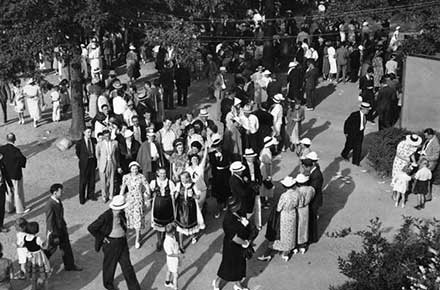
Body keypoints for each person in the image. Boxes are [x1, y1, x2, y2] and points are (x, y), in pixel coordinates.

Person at [87, 195, 141, 290]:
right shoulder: (106, 216)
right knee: (109, 265)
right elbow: (91, 228)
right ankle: (108, 285)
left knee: (127, 267)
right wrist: (102, 238)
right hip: (111, 244)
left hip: (122, 242)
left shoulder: (121, 213)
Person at [213, 197, 252, 290]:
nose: (240, 205)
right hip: (232, 246)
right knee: (228, 266)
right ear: (234, 207)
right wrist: (245, 243)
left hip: (239, 246)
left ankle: (238, 284)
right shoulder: (228, 220)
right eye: (238, 204)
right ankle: (217, 282)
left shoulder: (237, 213)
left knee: (239, 265)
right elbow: (234, 238)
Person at [258, 176, 299, 262]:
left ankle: (276, 249)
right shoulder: (296, 193)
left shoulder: (284, 196)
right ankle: (288, 249)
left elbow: (279, 208)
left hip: (284, 215)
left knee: (281, 233)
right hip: (293, 214)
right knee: (291, 232)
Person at [45, 183, 82, 271]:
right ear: (55, 193)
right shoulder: (50, 205)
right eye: (60, 191)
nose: (63, 193)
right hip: (55, 232)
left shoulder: (58, 201)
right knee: (51, 249)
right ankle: (40, 262)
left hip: (61, 229)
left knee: (66, 247)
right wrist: (52, 233)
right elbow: (49, 221)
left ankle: (70, 265)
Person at [119, 161, 150, 248]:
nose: (134, 170)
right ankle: (137, 233)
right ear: (130, 169)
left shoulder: (141, 177)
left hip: (138, 200)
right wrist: (120, 198)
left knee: (138, 218)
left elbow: (147, 186)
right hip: (130, 200)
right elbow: (123, 188)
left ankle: (137, 239)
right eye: (133, 169)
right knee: (131, 218)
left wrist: (147, 195)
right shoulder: (126, 177)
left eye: (136, 168)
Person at [174, 171, 205, 252]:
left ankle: (193, 235)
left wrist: (193, 195)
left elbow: (198, 197)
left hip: (191, 207)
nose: (183, 180)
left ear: (188, 178)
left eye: (185, 178)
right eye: (181, 178)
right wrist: (175, 194)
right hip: (181, 207)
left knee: (191, 222)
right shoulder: (179, 185)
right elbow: (175, 196)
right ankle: (181, 245)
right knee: (181, 227)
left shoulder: (193, 185)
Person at [0, 133, 27, 215]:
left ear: (6, 139)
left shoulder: (1, 149)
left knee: (8, 192)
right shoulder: (16, 151)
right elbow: (22, 161)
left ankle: (9, 208)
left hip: (5, 174)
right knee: (17, 192)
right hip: (15, 175)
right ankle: (20, 209)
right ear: (14, 140)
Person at [150, 167, 176, 251]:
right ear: (157, 173)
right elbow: (149, 192)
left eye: (164, 173)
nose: (162, 175)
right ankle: (159, 240)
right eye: (161, 173)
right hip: (158, 204)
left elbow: (174, 194)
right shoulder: (154, 182)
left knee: (167, 223)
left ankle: (166, 239)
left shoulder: (170, 182)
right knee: (158, 224)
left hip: (167, 204)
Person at [23, 221, 51, 290]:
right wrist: (48, 236)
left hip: (31, 257)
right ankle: (45, 288)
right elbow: (45, 246)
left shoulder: (25, 238)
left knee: (33, 275)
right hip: (39, 256)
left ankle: (33, 288)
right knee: (44, 273)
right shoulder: (37, 239)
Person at [209, 136, 231, 219]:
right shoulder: (211, 154)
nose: (218, 148)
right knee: (218, 192)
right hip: (217, 174)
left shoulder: (226, 152)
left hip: (225, 173)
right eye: (216, 146)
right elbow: (213, 164)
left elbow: (227, 162)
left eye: (219, 146)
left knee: (226, 190)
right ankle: (218, 208)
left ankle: (225, 203)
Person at [302, 156, 323, 244]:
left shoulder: (316, 175)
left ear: (307, 166)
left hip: (315, 199)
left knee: (312, 219)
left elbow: (312, 189)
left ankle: (312, 238)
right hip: (315, 198)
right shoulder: (315, 171)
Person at [96, 130, 121, 202]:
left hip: (112, 163)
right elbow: (97, 155)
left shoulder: (114, 143)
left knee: (112, 179)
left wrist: (117, 164)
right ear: (103, 136)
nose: (108, 137)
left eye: (109, 135)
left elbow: (117, 154)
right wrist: (101, 162)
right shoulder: (99, 144)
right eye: (106, 136)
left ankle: (111, 195)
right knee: (103, 181)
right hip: (103, 164)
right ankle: (104, 195)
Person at [75, 127, 97, 204]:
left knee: (92, 180)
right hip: (84, 164)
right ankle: (82, 198)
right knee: (83, 181)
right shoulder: (80, 143)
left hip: (92, 162)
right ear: (84, 132)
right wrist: (83, 159)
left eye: (90, 132)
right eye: (88, 132)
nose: (89, 134)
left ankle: (90, 195)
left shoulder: (94, 140)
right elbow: (78, 153)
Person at [295, 174, 315, 254]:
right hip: (306, 209)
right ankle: (303, 244)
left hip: (298, 209)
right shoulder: (310, 189)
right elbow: (312, 196)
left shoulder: (297, 190)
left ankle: (296, 244)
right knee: (304, 226)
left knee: (297, 226)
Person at [186, 144, 209, 212]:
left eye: (196, 159)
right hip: (191, 187)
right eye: (193, 159)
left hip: (199, 186)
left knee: (199, 204)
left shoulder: (200, 167)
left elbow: (204, 157)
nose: (195, 160)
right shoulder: (188, 168)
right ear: (190, 160)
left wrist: (206, 149)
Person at [420, 128, 440, 199]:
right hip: (425, 161)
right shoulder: (429, 139)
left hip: (430, 163)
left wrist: (426, 157)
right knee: (423, 178)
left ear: (431, 135)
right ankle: (423, 193)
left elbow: (436, 156)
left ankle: (427, 195)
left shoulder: (436, 143)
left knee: (426, 178)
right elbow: (426, 148)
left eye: (426, 136)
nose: (425, 137)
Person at [260, 137, 277, 208]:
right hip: (265, 170)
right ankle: (263, 202)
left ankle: (264, 201)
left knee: (264, 186)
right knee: (264, 187)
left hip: (264, 169)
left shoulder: (265, 150)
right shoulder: (266, 152)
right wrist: (268, 175)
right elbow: (267, 165)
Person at [163, 223, 180, 290]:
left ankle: (167, 282)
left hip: (171, 259)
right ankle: (175, 287)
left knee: (169, 270)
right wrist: (177, 255)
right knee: (175, 275)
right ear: (172, 232)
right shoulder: (167, 242)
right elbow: (170, 253)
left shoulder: (171, 237)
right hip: (173, 259)